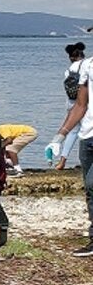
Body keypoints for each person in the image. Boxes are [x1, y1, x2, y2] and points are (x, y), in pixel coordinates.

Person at [52, 41, 93, 256]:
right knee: (90, 187)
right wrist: (60, 136)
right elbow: (80, 104)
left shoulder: (76, 67)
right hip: (87, 135)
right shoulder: (87, 66)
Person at [49, 42, 86, 169]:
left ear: (70, 57)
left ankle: (62, 161)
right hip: (86, 103)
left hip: (71, 103)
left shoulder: (68, 71)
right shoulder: (87, 66)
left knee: (72, 132)